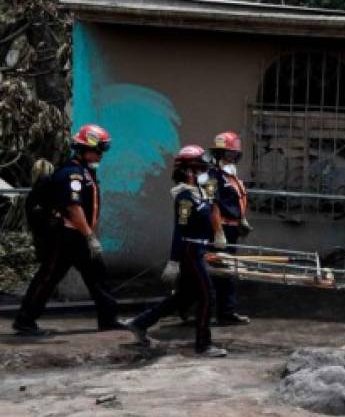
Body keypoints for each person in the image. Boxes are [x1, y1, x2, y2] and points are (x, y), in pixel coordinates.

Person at [13, 124, 123, 336]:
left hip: (78, 236)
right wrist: (90, 236)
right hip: (66, 236)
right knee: (48, 277)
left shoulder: (85, 172)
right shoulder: (73, 174)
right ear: (83, 149)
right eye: (98, 150)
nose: (101, 155)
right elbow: (74, 208)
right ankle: (24, 321)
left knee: (98, 277)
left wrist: (88, 236)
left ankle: (109, 319)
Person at [126, 145, 228, 358]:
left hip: (199, 247)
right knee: (207, 297)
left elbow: (214, 202)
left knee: (184, 297)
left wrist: (217, 235)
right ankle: (203, 345)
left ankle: (140, 322)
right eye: (200, 169)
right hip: (190, 250)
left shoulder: (200, 192)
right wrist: (173, 261)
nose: (204, 173)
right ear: (188, 171)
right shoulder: (184, 199)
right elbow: (179, 231)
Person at [207, 131, 251, 325]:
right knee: (218, 274)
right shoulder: (212, 177)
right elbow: (212, 206)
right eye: (228, 154)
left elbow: (237, 200)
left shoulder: (230, 175)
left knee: (228, 273)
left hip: (232, 229)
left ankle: (227, 312)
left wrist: (242, 220)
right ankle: (208, 312)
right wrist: (218, 233)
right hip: (221, 229)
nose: (231, 158)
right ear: (218, 154)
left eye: (234, 154)